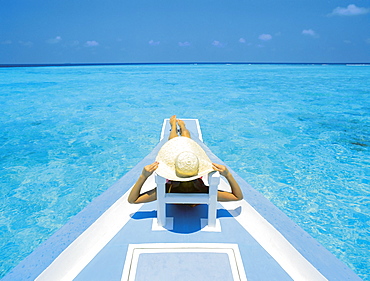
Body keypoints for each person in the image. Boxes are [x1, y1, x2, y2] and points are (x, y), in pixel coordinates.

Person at [128, 115, 243, 204]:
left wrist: (143, 176)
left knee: (174, 140)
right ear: (197, 174)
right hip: (187, 162)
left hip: (181, 164)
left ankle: (174, 126)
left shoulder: (167, 189)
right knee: (186, 139)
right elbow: (237, 197)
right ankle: (183, 127)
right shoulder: (204, 191)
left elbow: (132, 200)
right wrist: (228, 175)